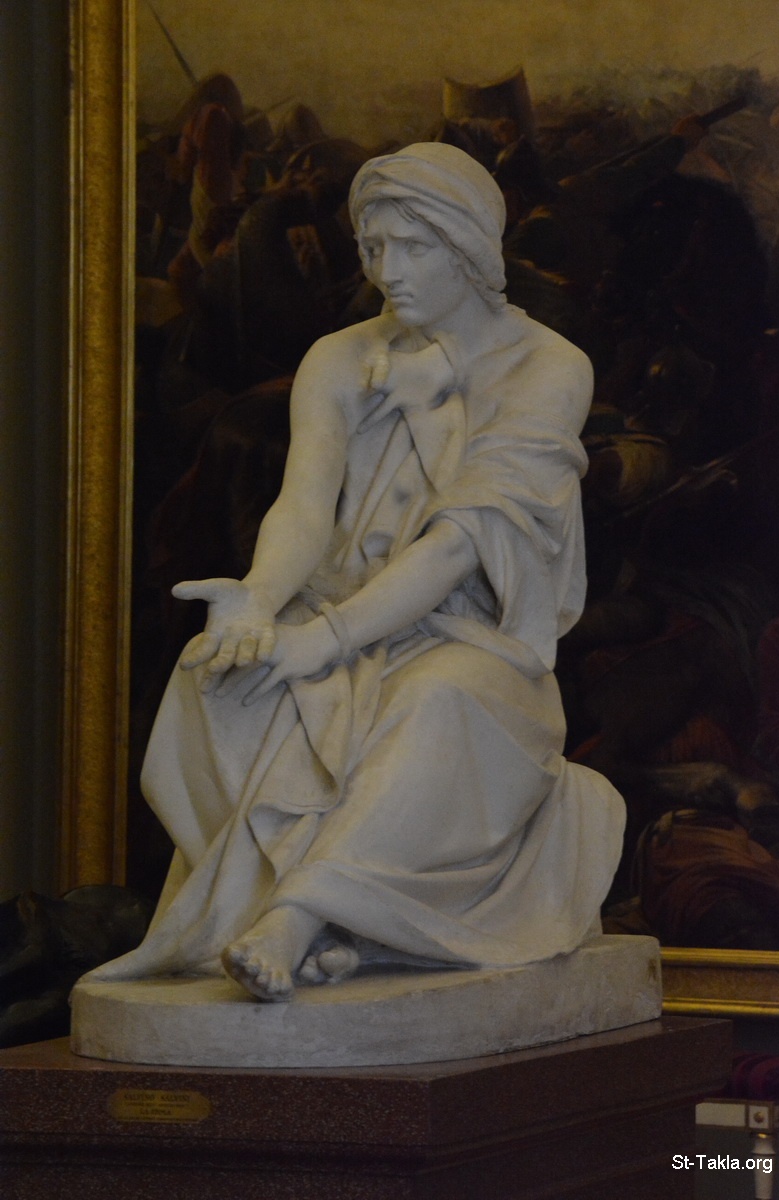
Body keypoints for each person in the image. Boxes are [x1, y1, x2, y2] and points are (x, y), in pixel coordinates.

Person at [88, 142, 625, 1001]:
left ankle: (299, 918)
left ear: (467, 249)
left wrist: (328, 642)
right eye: (374, 248)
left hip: (469, 644)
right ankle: (340, 932)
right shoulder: (338, 358)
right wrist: (260, 600)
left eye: (412, 248)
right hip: (332, 612)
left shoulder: (547, 366)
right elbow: (304, 508)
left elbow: (459, 541)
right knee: (217, 678)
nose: (388, 272)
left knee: (436, 699)